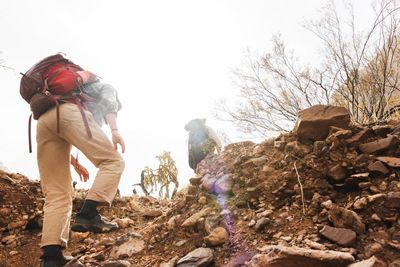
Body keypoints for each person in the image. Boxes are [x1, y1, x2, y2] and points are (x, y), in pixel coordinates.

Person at [36, 81, 125, 267]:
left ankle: (52, 258)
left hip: (44, 121)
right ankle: (88, 213)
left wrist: (75, 163)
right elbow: (109, 103)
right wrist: (114, 131)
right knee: (113, 161)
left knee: (57, 193)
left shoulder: (65, 93)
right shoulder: (105, 87)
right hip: (69, 114)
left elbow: (62, 130)